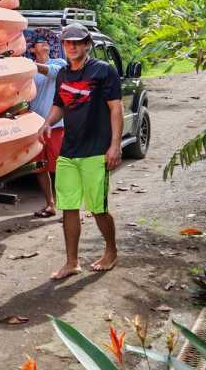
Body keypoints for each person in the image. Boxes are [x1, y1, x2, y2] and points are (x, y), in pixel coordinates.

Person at [44, 22, 123, 279]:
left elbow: (116, 108)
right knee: (68, 207)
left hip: (96, 151)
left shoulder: (103, 71)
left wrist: (115, 145)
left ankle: (111, 251)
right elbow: (59, 105)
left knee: (98, 207)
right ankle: (72, 262)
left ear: (87, 44)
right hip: (69, 151)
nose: (72, 46)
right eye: (68, 42)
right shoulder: (63, 74)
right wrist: (47, 122)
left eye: (77, 42)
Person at [26, 29, 67, 218]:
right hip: (35, 128)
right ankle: (50, 205)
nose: (45, 43)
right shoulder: (27, 72)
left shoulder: (59, 63)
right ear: (32, 49)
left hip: (56, 127)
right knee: (40, 168)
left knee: (61, 169)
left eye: (47, 41)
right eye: (40, 41)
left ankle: (69, 208)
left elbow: (51, 73)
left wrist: (27, 66)